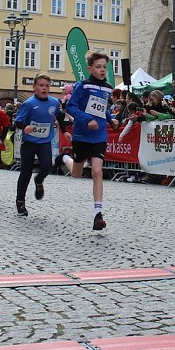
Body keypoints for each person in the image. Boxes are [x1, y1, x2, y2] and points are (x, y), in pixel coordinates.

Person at [59, 52, 119, 230]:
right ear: (90, 68)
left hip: (99, 135)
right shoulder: (82, 86)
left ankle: (97, 213)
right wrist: (86, 120)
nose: (102, 70)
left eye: (104, 67)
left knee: (97, 171)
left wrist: (110, 120)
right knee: (76, 173)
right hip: (82, 135)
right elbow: (71, 106)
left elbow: (101, 108)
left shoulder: (108, 88)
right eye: (98, 67)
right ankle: (65, 159)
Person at [14, 74, 63, 217]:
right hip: (29, 142)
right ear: (34, 87)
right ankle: (20, 202)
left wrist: (64, 129)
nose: (44, 88)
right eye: (41, 85)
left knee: (47, 165)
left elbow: (59, 116)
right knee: (25, 172)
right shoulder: (29, 104)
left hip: (44, 141)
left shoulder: (54, 102)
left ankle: (39, 180)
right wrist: (25, 127)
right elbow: (18, 121)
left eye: (47, 86)